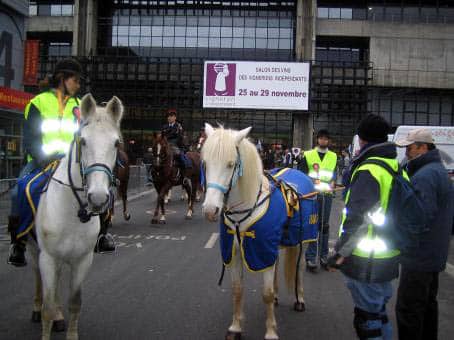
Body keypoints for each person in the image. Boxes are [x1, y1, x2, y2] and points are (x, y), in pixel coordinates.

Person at [328, 114, 401, 340]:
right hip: (387, 253)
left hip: (366, 259)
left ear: (361, 139)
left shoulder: (369, 170)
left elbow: (358, 218)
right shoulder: (392, 164)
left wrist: (340, 252)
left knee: (368, 321)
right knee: (378, 315)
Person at [8, 58, 83, 266]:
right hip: (41, 161)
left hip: (70, 163)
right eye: (75, 80)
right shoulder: (38, 102)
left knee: (101, 187)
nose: (78, 85)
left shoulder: (79, 106)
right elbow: (30, 138)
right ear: (63, 79)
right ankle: (19, 243)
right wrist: (43, 158)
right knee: (17, 192)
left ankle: (102, 235)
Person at [394, 128, 454, 340]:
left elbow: (419, 217)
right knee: (427, 307)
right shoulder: (437, 170)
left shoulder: (425, 176)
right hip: (433, 254)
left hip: (419, 255)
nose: (407, 153)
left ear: (422, 147)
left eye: (409, 148)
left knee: (409, 310)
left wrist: (400, 240)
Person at [298, 129, 337, 271]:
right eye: (321, 138)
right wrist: (312, 181)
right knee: (313, 225)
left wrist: (333, 182)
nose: (324, 141)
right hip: (312, 196)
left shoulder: (333, 156)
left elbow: (334, 174)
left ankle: (324, 257)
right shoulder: (308, 155)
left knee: (324, 226)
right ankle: (311, 258)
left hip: (326, 195)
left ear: (329, 141)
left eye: (326, 139)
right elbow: (301, 174)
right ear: (317, 140)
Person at [161, 108, 190, 179]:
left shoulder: (178, 126)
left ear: (175, 117)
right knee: (157, 155)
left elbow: (179, 137)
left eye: (171, 116)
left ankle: (185, 175)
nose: (169, 118)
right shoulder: (164, 126)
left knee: (180, 156)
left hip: (175, 145)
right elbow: (162, 136)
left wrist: (168, 137)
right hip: (165, 144)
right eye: (168, 116)